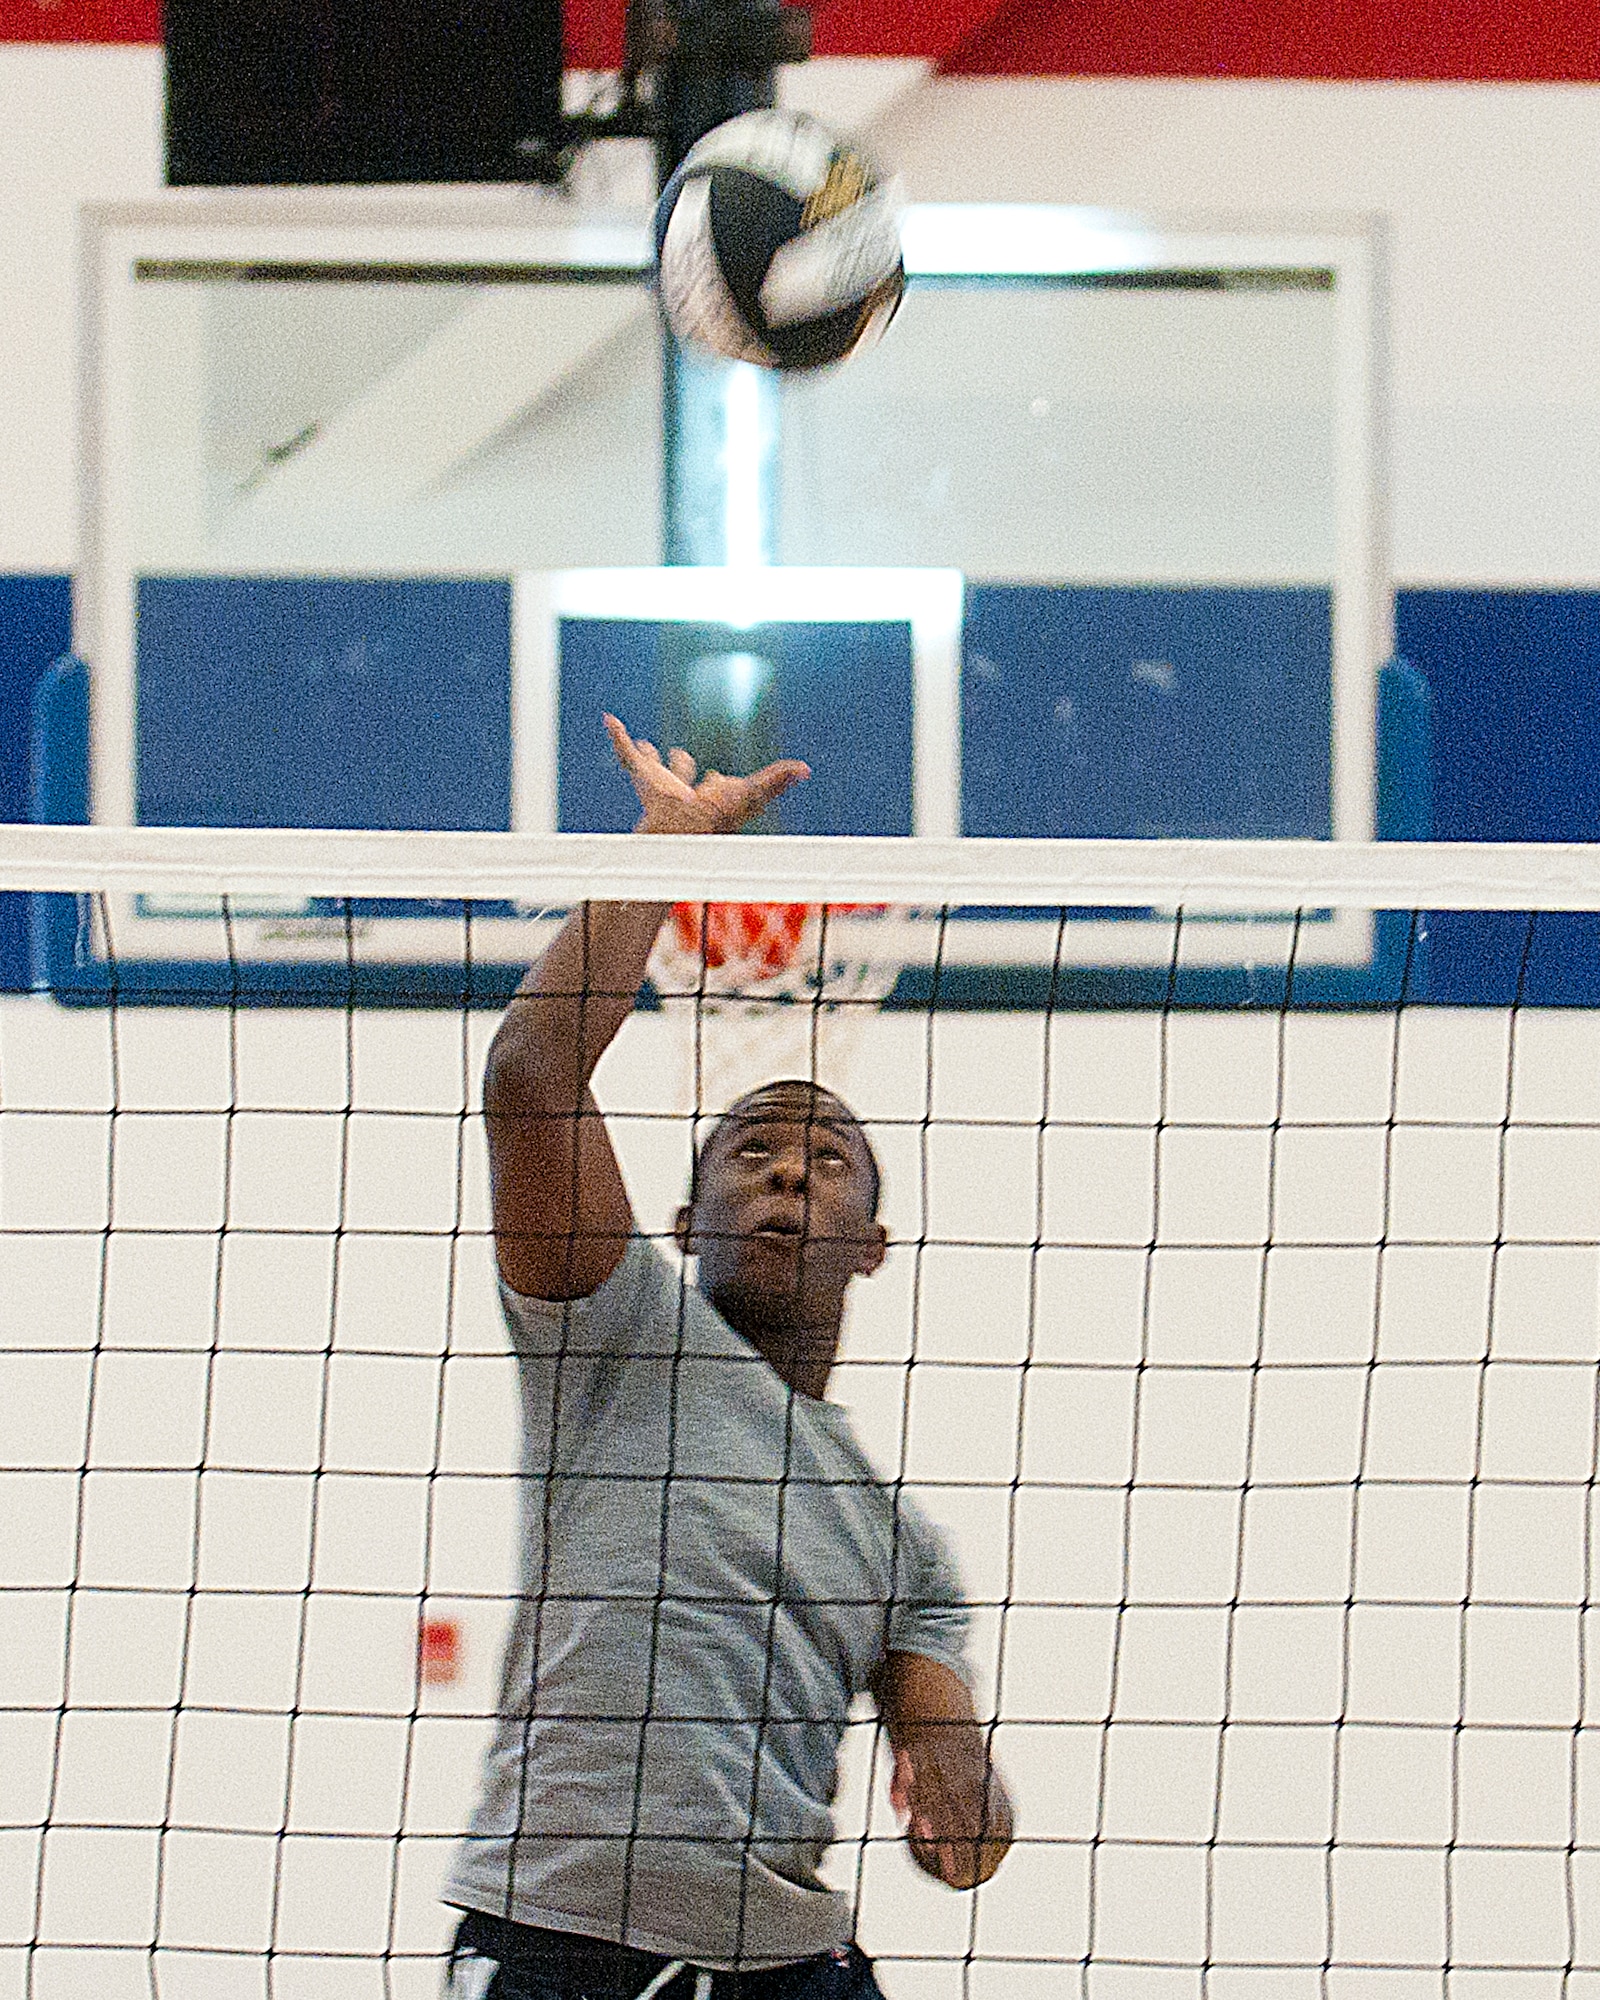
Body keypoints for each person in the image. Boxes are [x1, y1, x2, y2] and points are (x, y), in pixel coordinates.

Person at [444, 716, 1012, 2000]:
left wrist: (965, 1794)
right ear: (685, 1220)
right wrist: (666, 847)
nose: (787, 1171)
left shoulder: (899, 1542)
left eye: (825, 1159)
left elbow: (968, 1833)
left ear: (872, 1244)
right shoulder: (612, 1331)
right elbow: (531, 1075)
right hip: (562, 1950)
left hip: (787, 1964)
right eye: (751, 1150)